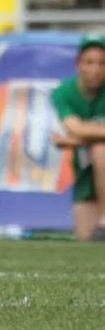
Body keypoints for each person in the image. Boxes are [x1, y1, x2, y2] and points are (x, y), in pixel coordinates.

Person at [51, 34, 105, 241]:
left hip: (98, 160)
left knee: (101, 150)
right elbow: (73, 127)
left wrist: (72, 140)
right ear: (78, 64)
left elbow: (75, 132)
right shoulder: (64, 92)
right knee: (85, 238)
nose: (96, 69)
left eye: (102, 63)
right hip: (84, 174)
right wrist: (83, 134)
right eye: (89, 62)